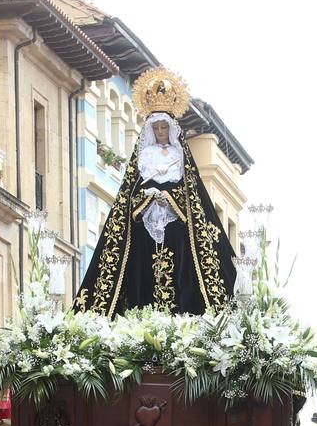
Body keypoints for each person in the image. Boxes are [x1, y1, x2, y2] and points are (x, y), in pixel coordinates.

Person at [73, 69, 235, 315]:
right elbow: (129, 196)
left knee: (181, 269)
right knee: (142, 271)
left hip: (176, 229)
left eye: (163, 127)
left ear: (171, 129)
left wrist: (169, 199)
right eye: (156, 128)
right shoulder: (143, 157)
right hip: (145, 229)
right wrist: (147, 200)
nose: (160, 132)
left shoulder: (180, 157)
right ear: (151, 130)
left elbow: (193, 197)